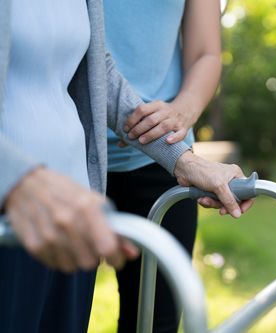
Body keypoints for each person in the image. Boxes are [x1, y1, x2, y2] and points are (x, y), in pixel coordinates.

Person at [0, 0, 252, 332]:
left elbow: (95, 70)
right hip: (22, 205)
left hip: (80, 187)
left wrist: (180, 157)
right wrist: (19, 181)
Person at [103, 1, 222, 331]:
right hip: (68, 152)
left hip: (164, 158)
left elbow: (206, 53)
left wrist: (180, 113)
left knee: (155, 322)